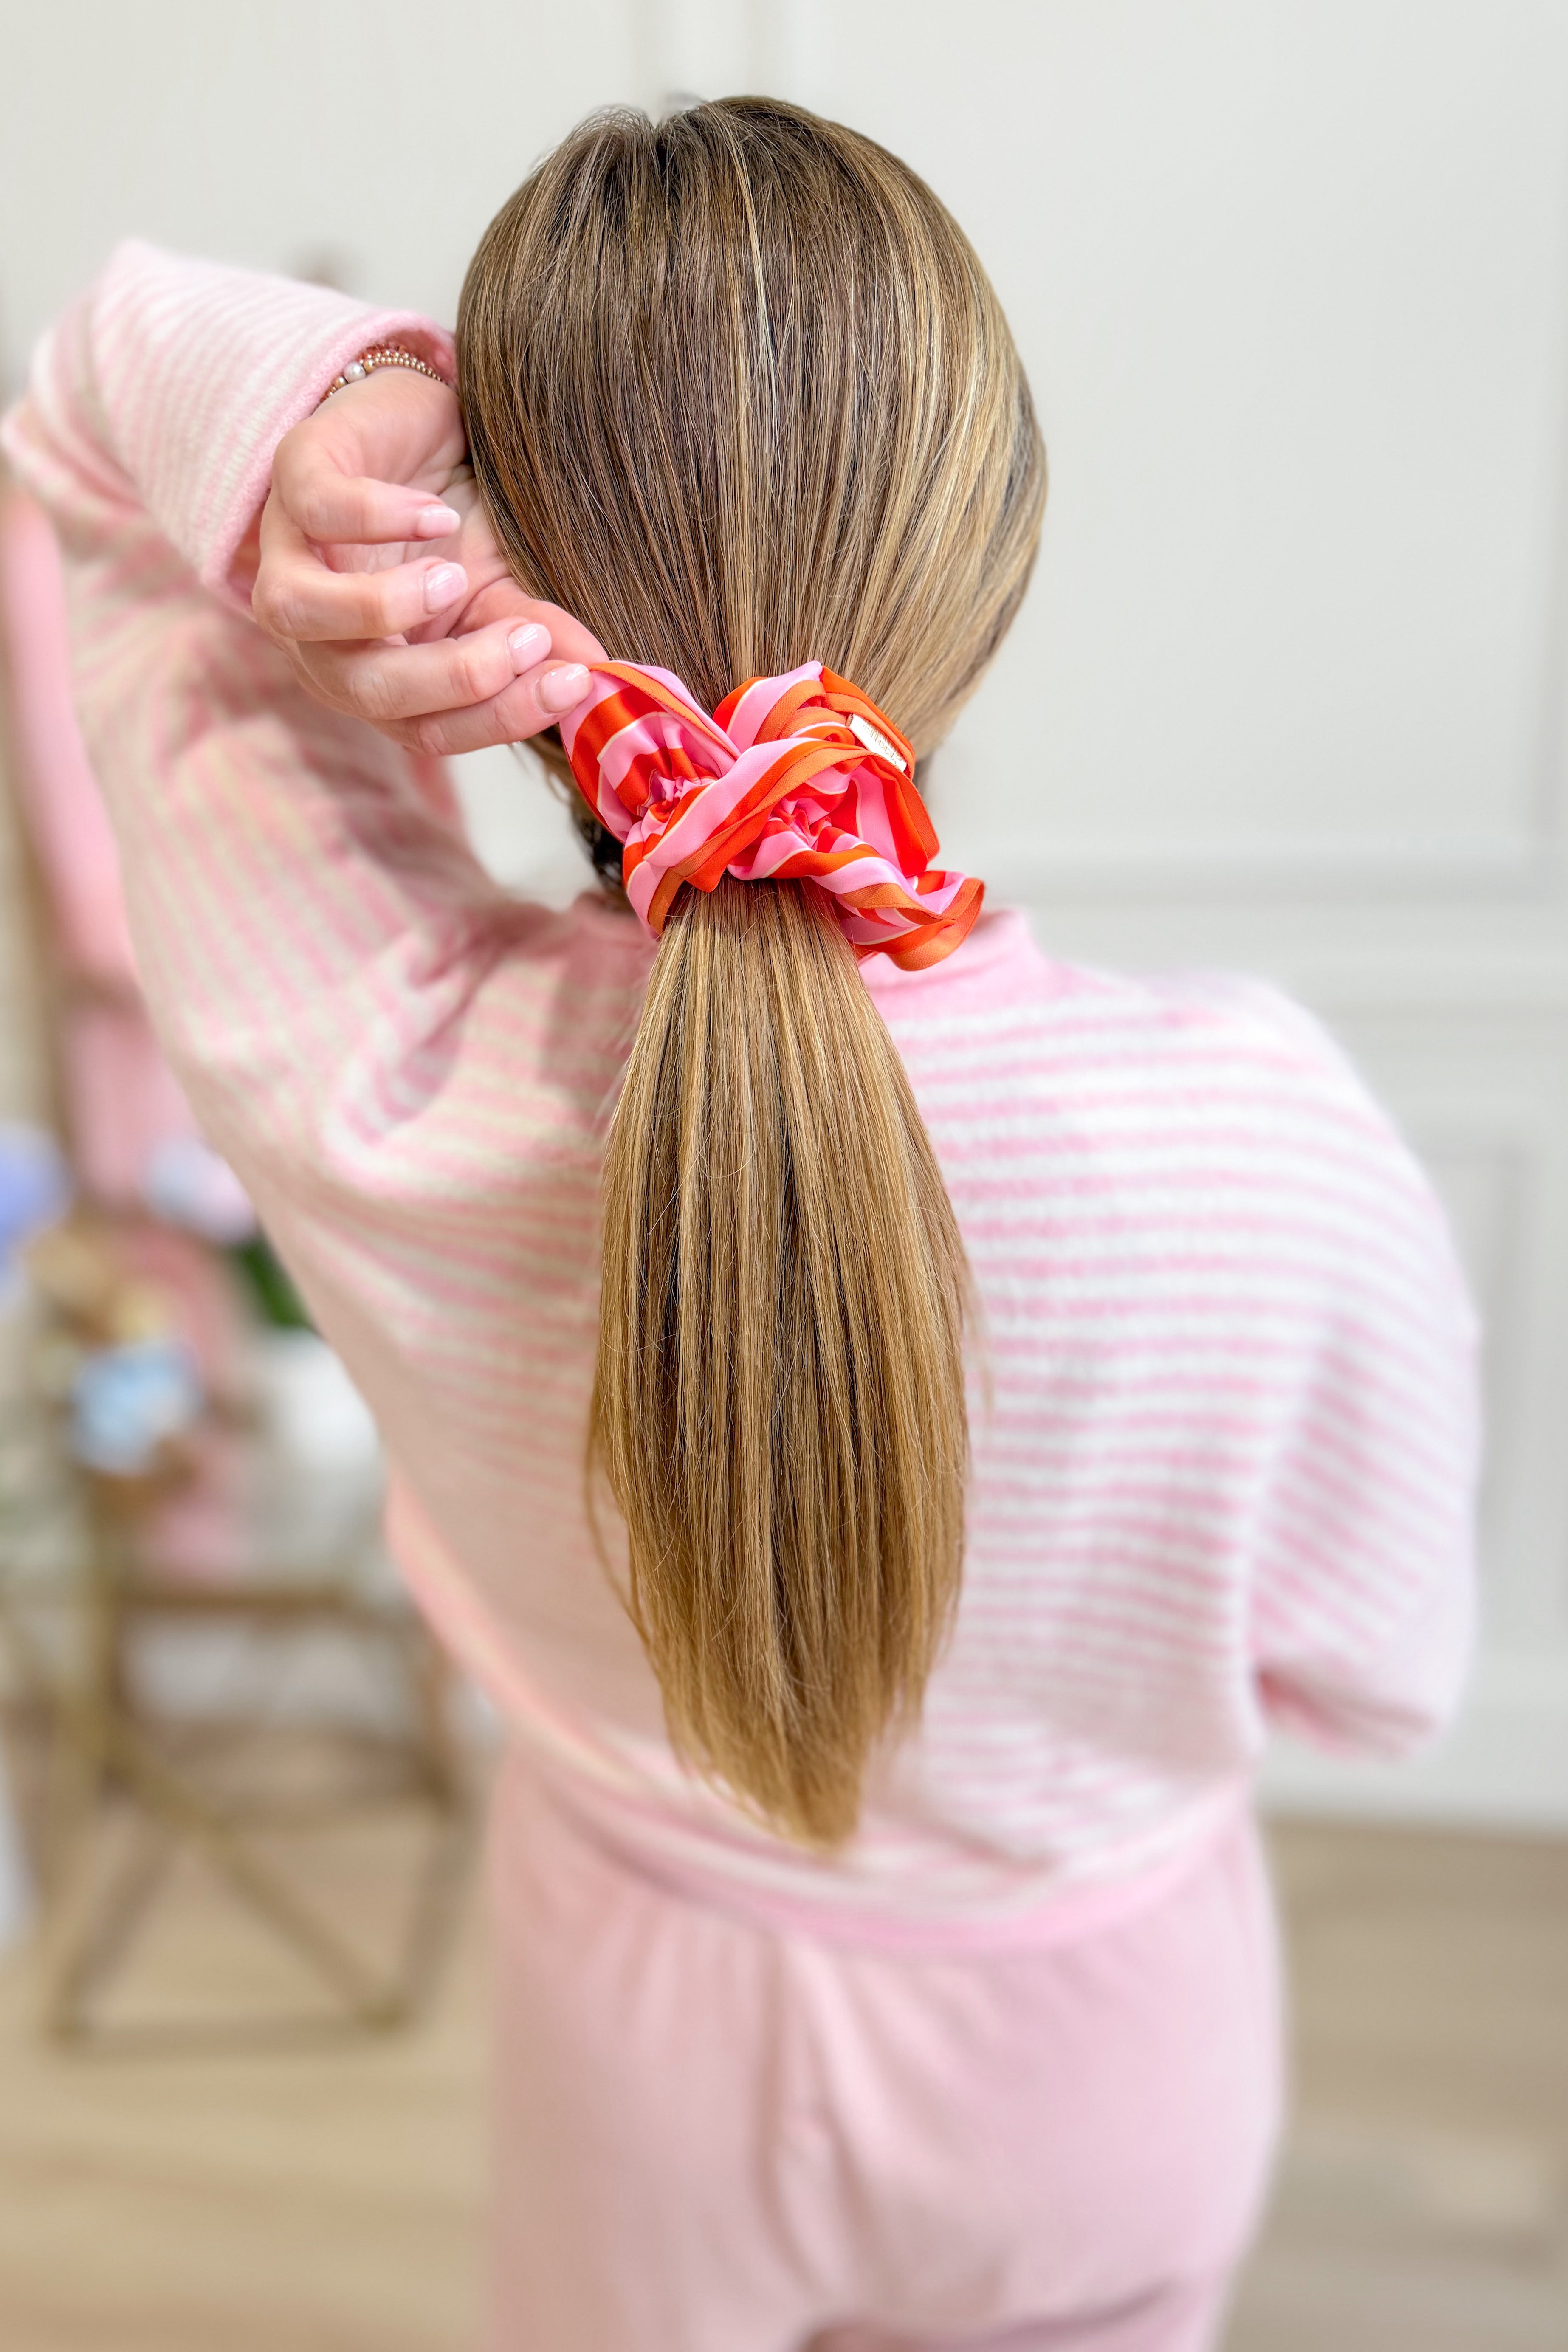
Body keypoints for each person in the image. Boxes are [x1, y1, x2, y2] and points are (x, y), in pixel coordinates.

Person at [3, 96, 1477, 2352]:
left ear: (501, 586)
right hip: (1100, 2057)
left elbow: (94, 435)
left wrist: (336, 410)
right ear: (991, 555)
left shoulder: (382, 1082)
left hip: (646, 2041)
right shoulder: (1268, 1143)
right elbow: (1376, 1671)